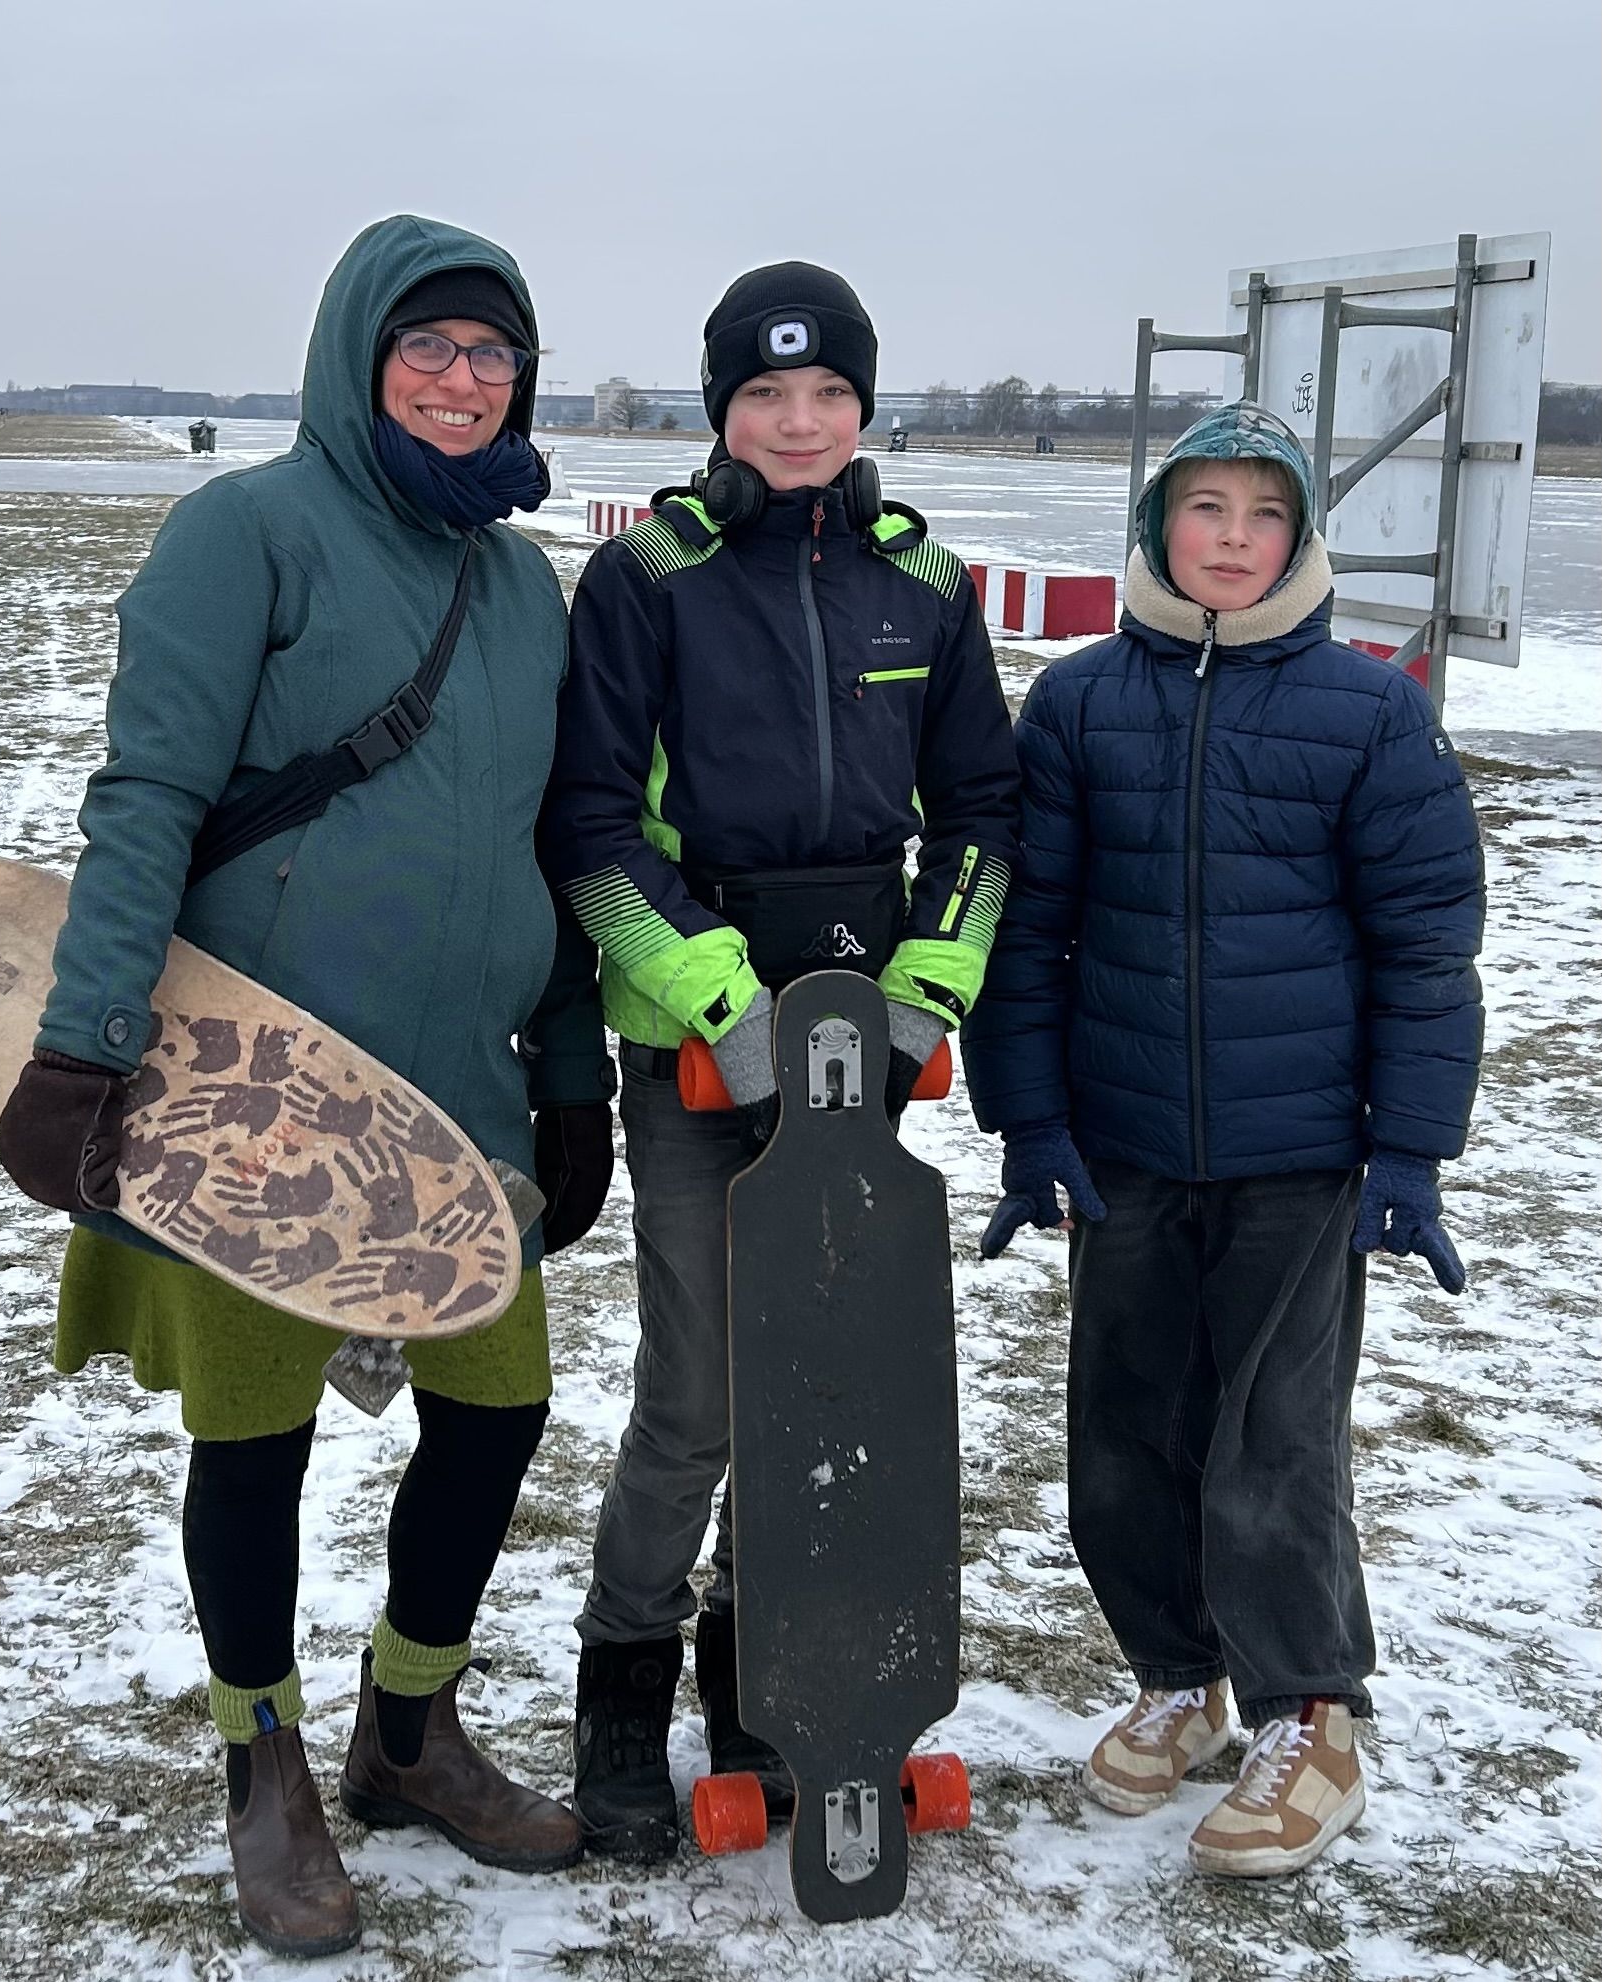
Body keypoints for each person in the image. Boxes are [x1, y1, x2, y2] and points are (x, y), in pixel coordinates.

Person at [0, 215, 609, 1957]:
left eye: (495, 354)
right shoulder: (242, 532)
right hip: (244, 1085)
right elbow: (151, 802)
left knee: (494, 1414)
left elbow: (544, 845)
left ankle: (406, 1727)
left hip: (459, 1100)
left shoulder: (516, 582)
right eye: (430, 347)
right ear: (357, 355)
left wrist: (571, 1076)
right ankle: (259, 1761)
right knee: (249, 1438)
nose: (464, 380)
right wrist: (82, 1047)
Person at [962, 402, 1485, 1878]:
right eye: (1205, 511)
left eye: (1265, 515)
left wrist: (1408, 1152)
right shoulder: (1073, 706)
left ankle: (1309, 1710)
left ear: (1299, 536)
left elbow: (1424, 947)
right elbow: (1030, 935)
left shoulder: (1367, 710)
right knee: (1123, 1435)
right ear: (1155, 531)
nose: (1234, 540)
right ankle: (1178, 1673)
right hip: (1123, 1145)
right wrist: (1030, 1124)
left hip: (1300, 1153)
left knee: (1268, 1441)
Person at [537, 262, 1020, 1858]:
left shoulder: (924, 584)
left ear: (863, 407)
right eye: (763, 395)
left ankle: (766, 1675)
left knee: (831, 1376)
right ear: (720, 409)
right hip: (705, 1039)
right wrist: (717, 1004)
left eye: (824, 396)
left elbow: (982, 818)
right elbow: (591, 832)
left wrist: (924, 989)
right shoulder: (647, 582)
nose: (797, 422)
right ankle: (622, 1687)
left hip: (865, 1033)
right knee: (700, 1394)